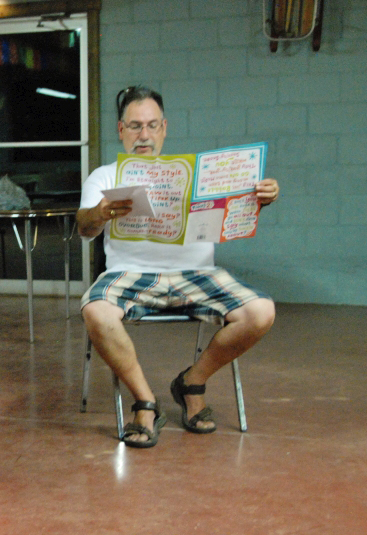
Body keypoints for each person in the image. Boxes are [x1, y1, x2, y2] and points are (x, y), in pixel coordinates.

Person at [76, 86, 279, 448]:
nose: (144, 135)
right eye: (135, 126)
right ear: (121, 130)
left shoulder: (200, 174)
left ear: (164, 128)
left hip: (199, 274)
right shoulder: (105, 176)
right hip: (129, 272)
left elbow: (238, 212)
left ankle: (191, 383)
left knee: (261, 312)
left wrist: (260, 197)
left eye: (152, 125)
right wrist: (100, 212)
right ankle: (145, 401)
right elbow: (84, 227)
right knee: (95, 312)